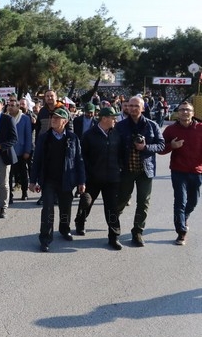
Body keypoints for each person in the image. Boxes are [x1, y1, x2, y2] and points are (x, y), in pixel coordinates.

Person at [29, 108, 86, 252]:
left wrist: (81, 181)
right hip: (48, 180)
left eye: (57, 118)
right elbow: (37, 160)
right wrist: (33, 180)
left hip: (67, 179)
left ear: (65, 121)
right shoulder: (44, 137)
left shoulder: (73, 138)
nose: (53, 119)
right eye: (52, 117)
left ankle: (64, 229)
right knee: (47, 209)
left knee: (65, 207)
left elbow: (79, 160)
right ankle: (45, 239)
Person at [115, 96, 165, 247]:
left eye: (136, 106)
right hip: (126, 170)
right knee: (122, 199)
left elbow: (161, 145)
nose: (133, 108)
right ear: (127, 108)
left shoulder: (152, 125)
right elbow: (114, 147)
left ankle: (137, 232)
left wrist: (146, 148)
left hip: (145, 170)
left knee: (143, 203)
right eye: (130, 106)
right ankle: (114, 228)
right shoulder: (120, 126)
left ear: (143, 108)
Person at [74, 107, 123, 250]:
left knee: (112, 208)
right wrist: (86, 175)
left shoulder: (116, 134)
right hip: (93, 178)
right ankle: (80, 222)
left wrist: (119, 167)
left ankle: (114, 236)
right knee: (86, 203)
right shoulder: (89, 135)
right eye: (113, 117)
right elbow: (83, 157)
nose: (115, 120)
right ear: (104, 118)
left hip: (112, 178)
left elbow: (121, 154)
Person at [159, 101, 202, 245]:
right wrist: (172, 146)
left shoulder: (200, 128)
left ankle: (184, 217)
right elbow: (160, 149)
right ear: (178, 113)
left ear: (193, 113)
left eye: (188, 110)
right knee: (180, 202)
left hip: (196, 171)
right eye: (182, 110)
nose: (185, 112)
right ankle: (181, 232)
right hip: (178, 171)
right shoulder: (171, 130)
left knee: (193, 201)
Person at [7, 95, 32, 203]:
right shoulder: (6, 118)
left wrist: (27, 150)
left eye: (13, 106)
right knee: (9, 175)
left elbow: (28, 136)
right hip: (8, 151)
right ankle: (10, 195)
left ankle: (24, 192)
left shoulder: (25, 118)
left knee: (23, 173)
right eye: (9, 105)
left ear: (18, 107)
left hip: (21, 151)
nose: (11, 108)